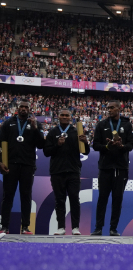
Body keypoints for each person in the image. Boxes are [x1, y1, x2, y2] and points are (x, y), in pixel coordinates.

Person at [91, 100, 133, 236]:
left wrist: (122, 147)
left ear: (119, 109)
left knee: (117, 198)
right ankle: (98, 228)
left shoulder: (127, 124)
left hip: (121, 168)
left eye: (112, 108)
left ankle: (113, 228)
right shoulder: (101, 124)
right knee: (102, 198)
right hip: (105, 167)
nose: (109, 110)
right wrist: (106, 147)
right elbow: (95, 145)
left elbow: (131, 145)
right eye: (107, 108)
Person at [0, 100, 44, 234]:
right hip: (10, 165)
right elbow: (1, 144)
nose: (24, 109)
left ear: (30, 109)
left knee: (26, 196)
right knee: (8, 196)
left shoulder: (36, 124)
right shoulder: (8, 123)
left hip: (28, 165)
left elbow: (42, 144)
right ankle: (4, 227)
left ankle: (25, 227)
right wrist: (0, 162)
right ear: (17, 109)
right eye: (22, 107)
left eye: (26, 107)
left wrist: (35, 129)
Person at [43, 108, 89, 235]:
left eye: (66, 115)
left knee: (74, 199)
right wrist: (57, 144)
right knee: (59, 200)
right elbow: (46, 152)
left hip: (74, 171)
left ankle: (75, 228)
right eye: (62, 115)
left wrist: (86, 142)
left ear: (71, 118)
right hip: (57, 171)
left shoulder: (77, 132)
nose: (64, 117)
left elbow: (85, 152)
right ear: (58, 117)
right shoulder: (52, 132)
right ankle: (61, 227)